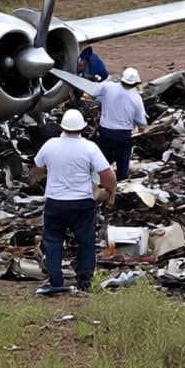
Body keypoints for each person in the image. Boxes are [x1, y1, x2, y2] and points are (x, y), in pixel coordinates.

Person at [29, 107, 114, 294]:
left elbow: (37, 170)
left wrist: (43, 177)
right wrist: (110, 193)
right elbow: (107, 174)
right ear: (82, 128)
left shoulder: (50, 145)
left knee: (53, 241)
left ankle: (56, 281)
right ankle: (84, 280)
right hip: (82, 204)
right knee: (85, 241)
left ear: (62, 127)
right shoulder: (89, 147)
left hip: (55, 202)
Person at [87, 72, 147, 180]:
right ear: (135, 83)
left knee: (102, 160)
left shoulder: (109, 86)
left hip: (105, 132)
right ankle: (120, 182)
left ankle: (95, 180)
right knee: (122, 162)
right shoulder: (136, 97)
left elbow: (93, 93)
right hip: (123, 135)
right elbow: (141, 123)